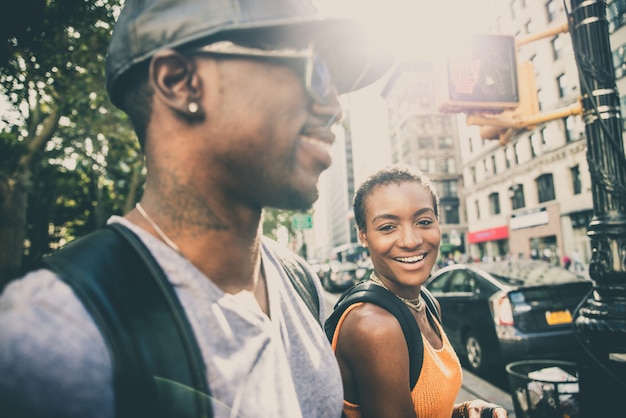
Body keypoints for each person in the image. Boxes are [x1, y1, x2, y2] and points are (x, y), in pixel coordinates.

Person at [0, 1, 393, 417]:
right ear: (180, 82)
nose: (335, 108)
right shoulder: (52, 334)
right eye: (316, 70)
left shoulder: (299, 281)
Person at [328, 164, 508, 418]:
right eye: (388, 227)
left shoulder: (427, 303)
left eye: (423, 221)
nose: (411, 241)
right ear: (363, 236)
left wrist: (461, 412)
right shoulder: (375, 327)